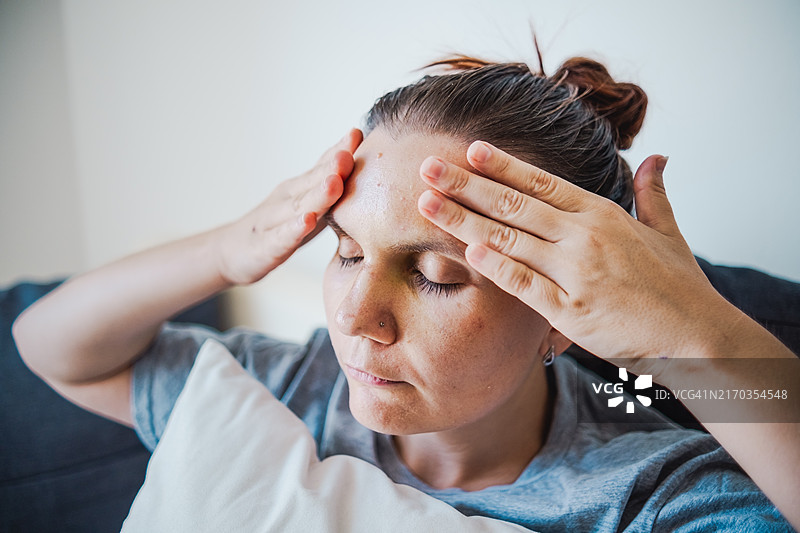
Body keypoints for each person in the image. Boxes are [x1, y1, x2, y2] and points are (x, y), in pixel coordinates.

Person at [13, 53, 797, 531]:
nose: (353, 319)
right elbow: (49, 347)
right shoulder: (289, 388)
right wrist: (225, 251)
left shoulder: (640, 489)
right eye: (348, 253)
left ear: (561, 317)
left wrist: (694, 333)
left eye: (435, 275)